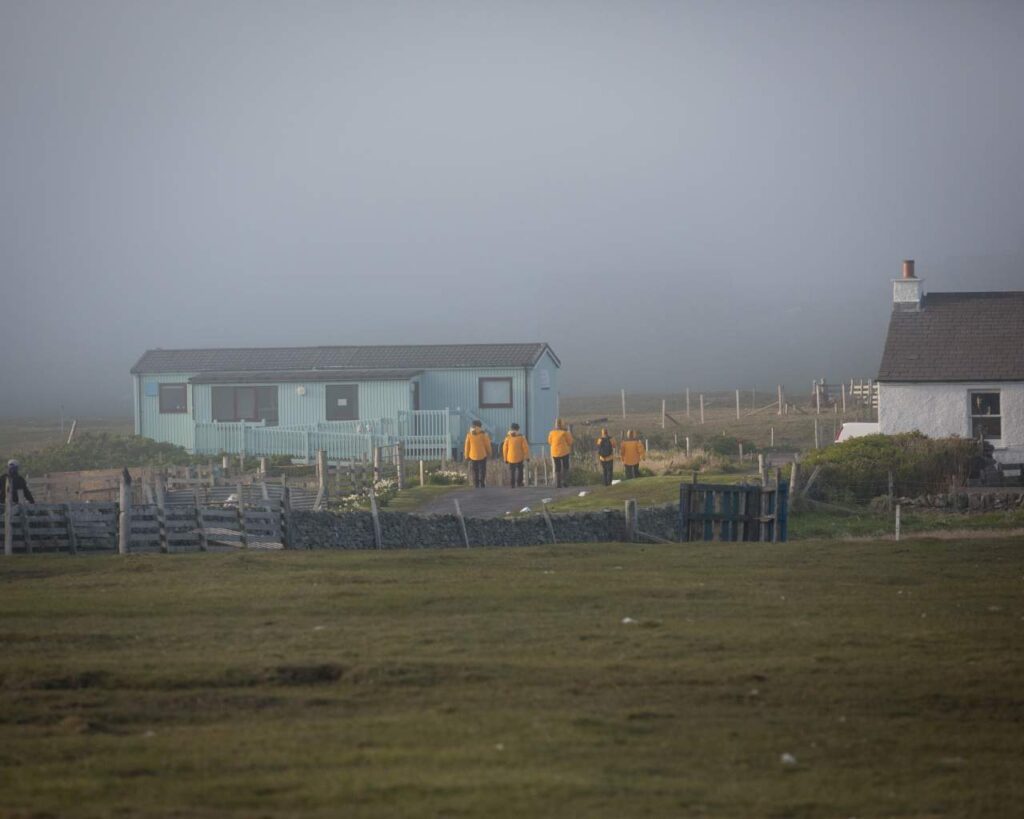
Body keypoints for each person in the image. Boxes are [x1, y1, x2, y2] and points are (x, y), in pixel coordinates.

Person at [463, 420, 492, 488]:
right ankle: (482, 482)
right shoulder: (483, 434)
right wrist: (489, 453)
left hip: (472, 455)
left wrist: (466, 455)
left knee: (475, 470)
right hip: (482, 454)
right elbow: (487, 445)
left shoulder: (469, 434)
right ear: (480, 426)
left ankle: (476, 483)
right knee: (482, 469)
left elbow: (467, 446)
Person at [547, 418, 573, 488]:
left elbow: (549, 441)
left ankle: (558, 483)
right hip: (564, 451)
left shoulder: (551, 433)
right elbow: (570, 442)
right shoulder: (564, 432)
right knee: (566, 466)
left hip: (554, 452)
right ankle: (565, 481)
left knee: (557, 467)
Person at [501, 423, 530, 488]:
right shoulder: (521, 437)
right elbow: (525, 448)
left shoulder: (507, 437)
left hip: (510, 457)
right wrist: (527, 457)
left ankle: (512, 484)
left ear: (511, 429)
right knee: (520, 470)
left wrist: (505, 459)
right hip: (519, 457)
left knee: (512, 471)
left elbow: (505, 449)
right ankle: (519, 482)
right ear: (518, 429)